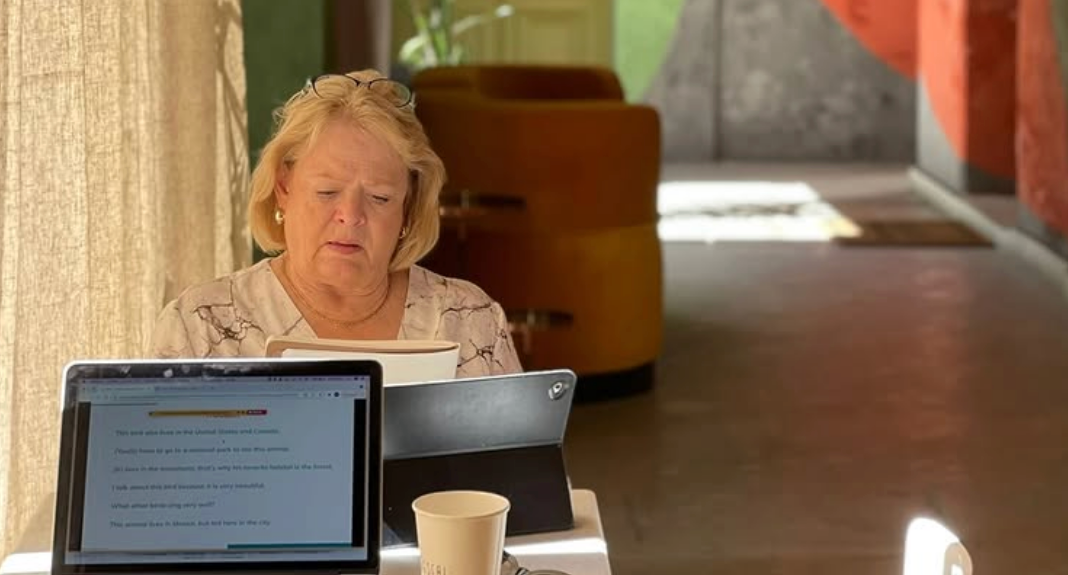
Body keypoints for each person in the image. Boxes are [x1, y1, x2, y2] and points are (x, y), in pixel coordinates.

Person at [150, 69, 522, 377]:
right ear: (283, 187)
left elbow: (522, 465)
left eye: (380, 198)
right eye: (327, 192)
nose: (351, 216)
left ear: (408, 208)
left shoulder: (471, 321)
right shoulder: (201, 327)